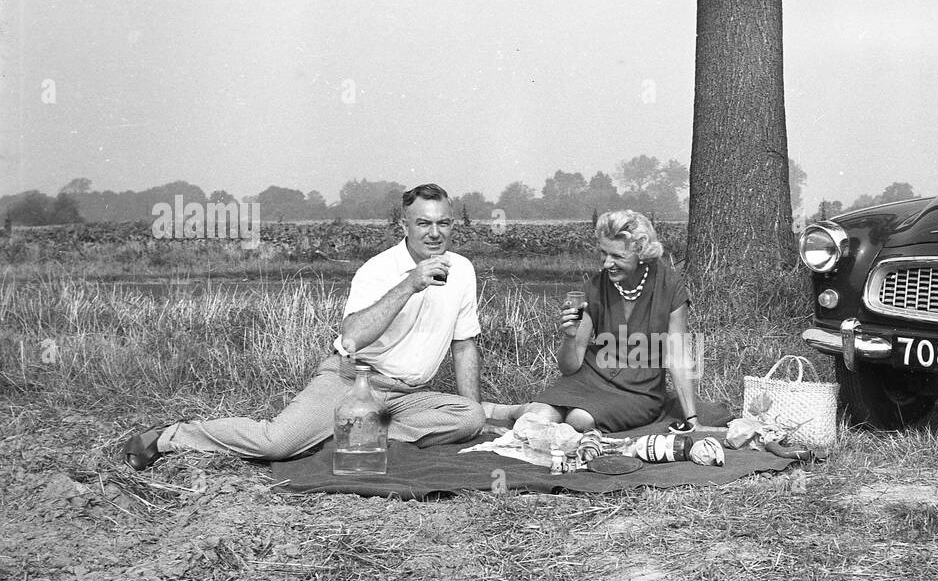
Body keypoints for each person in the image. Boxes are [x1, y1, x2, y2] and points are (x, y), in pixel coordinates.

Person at [123, 183, 485, 469]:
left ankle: (344, 436)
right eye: (424, 223)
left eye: (443, 222)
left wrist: (476, 418)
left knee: (469, 416)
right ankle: (172, 436)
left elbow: (464, 343)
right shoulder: (378, 270)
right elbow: (352, 337)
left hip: (406, 397)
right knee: (275, 444)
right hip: (352, 381)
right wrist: (410, 284)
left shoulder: (462, 270)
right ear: (404, 225)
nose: (435, 232)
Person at [503, 209, 700, 433]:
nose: (607, 264)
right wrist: (569, 338)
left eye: (617, 256)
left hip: (639, 389)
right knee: (539, 415)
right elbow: (570, 367)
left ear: (641, 253)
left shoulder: (670, 287)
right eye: (603, 253)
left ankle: (517, 411)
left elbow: (678, 356)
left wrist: (692, 419)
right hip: (590, 376)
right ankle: (510, 411)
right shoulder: (594, 288)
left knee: (580, 419)